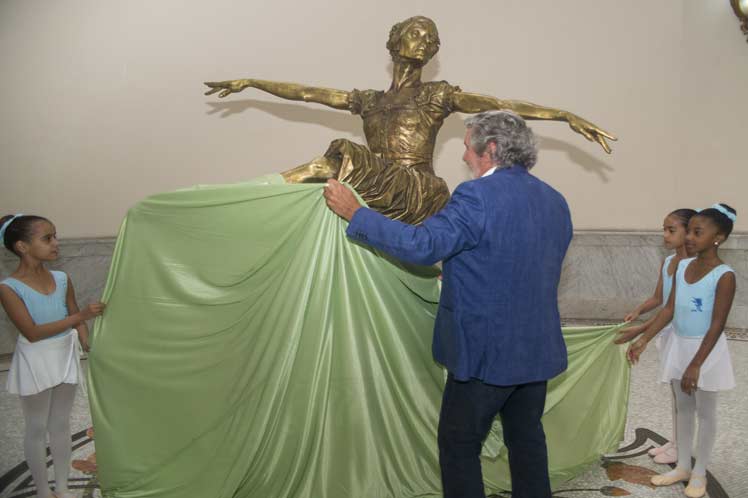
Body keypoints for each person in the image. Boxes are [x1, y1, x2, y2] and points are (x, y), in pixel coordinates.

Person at [324, 110, 572, 498]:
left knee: (459, 445)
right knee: (526, 440)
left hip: (485, 353)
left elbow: (423, 246)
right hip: (535, 349)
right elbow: (515, 265)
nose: (463, 153)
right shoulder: (554, 200)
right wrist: (460, 273)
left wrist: (356, 214)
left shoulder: (476, 195)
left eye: (467, 141)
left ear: (489, 147)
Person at [205, 15, 615, 225]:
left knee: (334, 161)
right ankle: (247, 200)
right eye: (417, 32)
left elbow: (501, 101)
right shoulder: (368, 101)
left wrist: (561, 114)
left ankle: (241, 197)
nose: (427, 41)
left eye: (431, 37)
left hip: (415, 186)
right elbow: (309, 93)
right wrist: (253, 82)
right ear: (394, 40)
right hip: (379, 180)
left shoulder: (438, 95)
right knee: (333, 172)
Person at [627, 204, 737, 498]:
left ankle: (699, 472)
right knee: (684, 409)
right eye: (689, 231)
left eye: (697, 232)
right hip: (680, 345)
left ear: (719, 238)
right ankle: (683, 465)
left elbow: (717, 324)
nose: (689, 237)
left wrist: (696, 364)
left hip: (706, 352)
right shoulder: (684, 266)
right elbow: (669, 309)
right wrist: (644, 339)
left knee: (706, 413)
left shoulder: (724, 275)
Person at [0, 214, 105, 498]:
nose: (56, 243)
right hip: (36, 357)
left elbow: (74, 316)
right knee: (36, 426)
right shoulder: (9, 288)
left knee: (60, 423)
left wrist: (85, 339)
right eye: (47, 238)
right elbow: (32, 332)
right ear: (21, 246)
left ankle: (61, 488)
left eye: (55, 236)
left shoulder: (61, 278)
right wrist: (79, 317)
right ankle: (44, 492)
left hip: (64, 354)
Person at [615, 208, 697, 464]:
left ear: (689, 232)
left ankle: (683, 448)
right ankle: (675, 442)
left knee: (685, 395)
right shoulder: (669, 262)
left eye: (671, 230)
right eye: (664, 229)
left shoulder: (695, 266)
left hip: (688, 334)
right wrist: (637, 311)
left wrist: (641, 333)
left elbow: (675, 309)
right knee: (676, 392)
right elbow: (660, 299)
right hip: (670, 333)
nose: (665, 235)